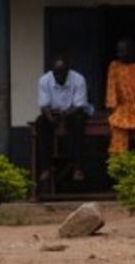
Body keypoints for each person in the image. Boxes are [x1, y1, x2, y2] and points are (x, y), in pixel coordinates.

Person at [35, 57, 92, 187]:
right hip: (53, 112)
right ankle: (46, 168)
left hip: (73, 112)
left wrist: (64, 116)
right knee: (41, 123)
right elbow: (44, 105)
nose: (59, 76)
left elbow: (79, 106)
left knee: (78, 124)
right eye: (56, 73)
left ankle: (78, 168)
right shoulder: (44, 80)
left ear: (68, 71)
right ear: (52, 72)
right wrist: (50, 118)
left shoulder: (78, 79)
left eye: (62, 73)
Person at [105, 38, 135, 154]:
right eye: (118, 51)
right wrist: (112, 108)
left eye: (123, 51)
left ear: (132, 51)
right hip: (123, 108)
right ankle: (119, 163)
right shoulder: (114, 66)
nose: (119, 54)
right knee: (117, 128)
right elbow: (111, 90)